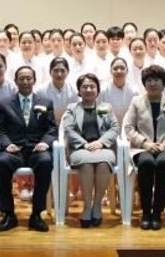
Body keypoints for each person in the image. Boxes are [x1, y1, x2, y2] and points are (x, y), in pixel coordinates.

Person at [0, 66, 57, 233]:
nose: (25, 81)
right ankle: (8, 214)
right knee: (0, 163)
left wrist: (45, 143)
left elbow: (52, 129)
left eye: (29, 78)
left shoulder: (46, 102)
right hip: (15, 149)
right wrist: (7, 144)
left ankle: (36, 214)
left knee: (46, 162)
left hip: (37, 149)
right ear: (15, 81)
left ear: (34, 80)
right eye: (21, 78)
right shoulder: (5, 103)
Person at [123, 65, 165, 230]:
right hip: (142, 148)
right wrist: (145, 143)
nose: (153, 83)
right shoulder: (136, 102)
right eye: (149, 80)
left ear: (163, 83)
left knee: (163, 164)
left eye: (156, 80)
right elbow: (128, 127)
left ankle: (157, 212)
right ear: (144, 83)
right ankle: (145, 212)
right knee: (146, 163)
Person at [61, 73, 120, 228]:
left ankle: (97, 205)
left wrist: (100, 142)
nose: (88, 90)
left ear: (97, 90)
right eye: (85, 87)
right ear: (79, 91)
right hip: (80, 149)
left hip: (102, 148)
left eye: (92, 86)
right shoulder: (72, 109)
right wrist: (84, 144)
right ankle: (87, 206)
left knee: (103, 163)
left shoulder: (106, 107)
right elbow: (68, 129)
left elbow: (115, 128)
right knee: (86, 164)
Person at [35, 56, 78, 123]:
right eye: (56, 70)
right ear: (50, 72)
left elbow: (75, 115)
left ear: (68, 72)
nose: (59, 74)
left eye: (62, 71)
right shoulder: (40, 91)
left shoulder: (74, 91)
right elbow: (39, 115)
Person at [97, 56, 140, 123]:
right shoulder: (103, 91)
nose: (119, 71)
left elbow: (136, 116)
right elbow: (100, 116)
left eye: (122, 68)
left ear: (127, 71)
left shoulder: (134, 91)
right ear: (111, 71)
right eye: (115, 68)